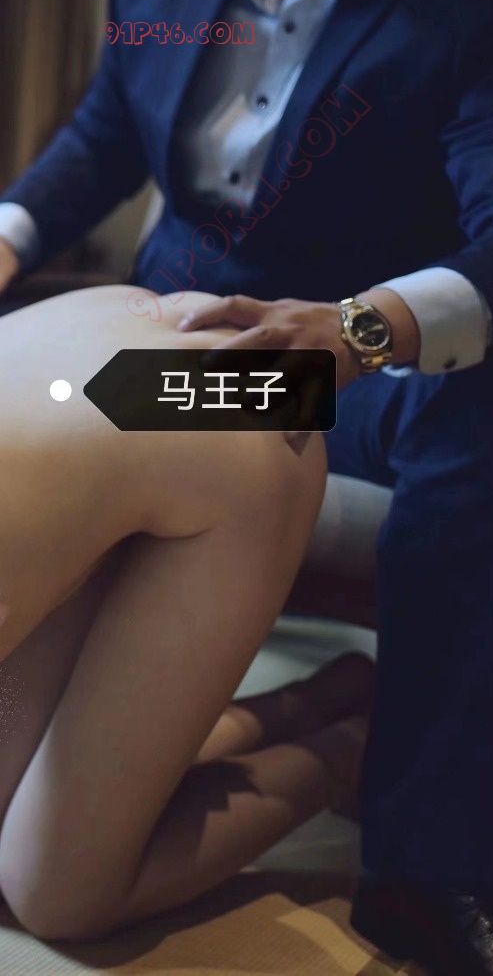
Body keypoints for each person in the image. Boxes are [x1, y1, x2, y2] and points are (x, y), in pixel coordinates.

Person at [0, 0, 493, 971]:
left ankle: (429, 873)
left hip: (341, 354)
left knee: (492, 411)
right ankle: (306, 712)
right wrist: (8, 234)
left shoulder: (476, 1)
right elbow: (108, 129)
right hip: (170, 333)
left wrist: (362, 328)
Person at [0, 283, 377, 940]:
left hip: (240, 414)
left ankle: (361, 749)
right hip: (116, 344)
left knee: (54, 892)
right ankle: (313, 699)